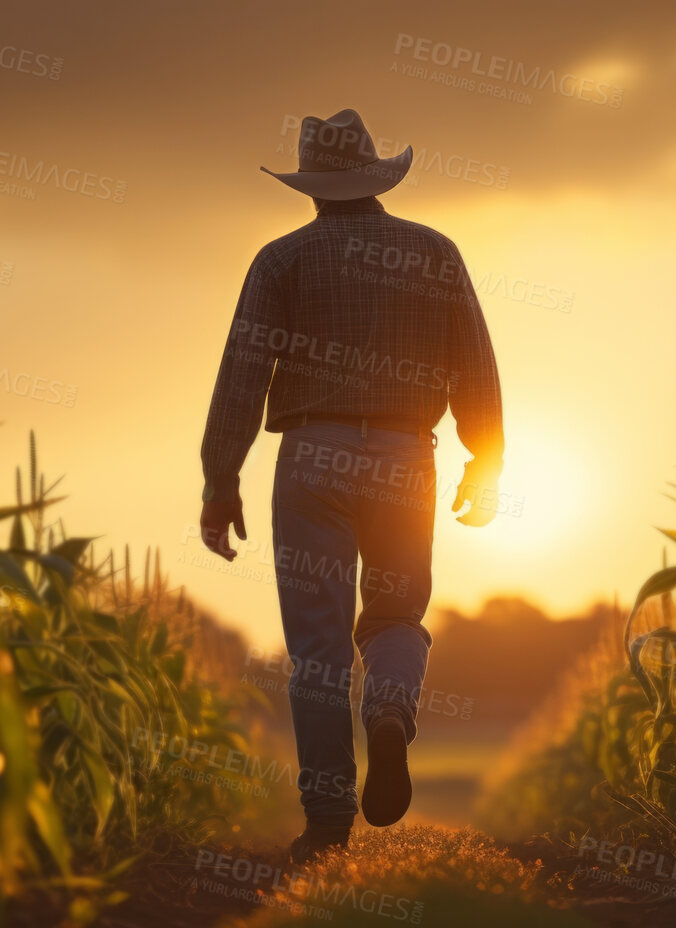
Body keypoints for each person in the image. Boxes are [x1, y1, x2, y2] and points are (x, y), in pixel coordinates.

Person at [197, 109, 505, 865]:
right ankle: (392, 711)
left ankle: (327, 818)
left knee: (317, 650)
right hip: (406, 454)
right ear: (373, 174)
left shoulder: (280, 261)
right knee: (397, 612)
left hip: (310, 453)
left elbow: (243, 375)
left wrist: (220, 478)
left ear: (309, 185)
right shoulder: (435, 252)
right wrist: (484, 459)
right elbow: (474, 361)